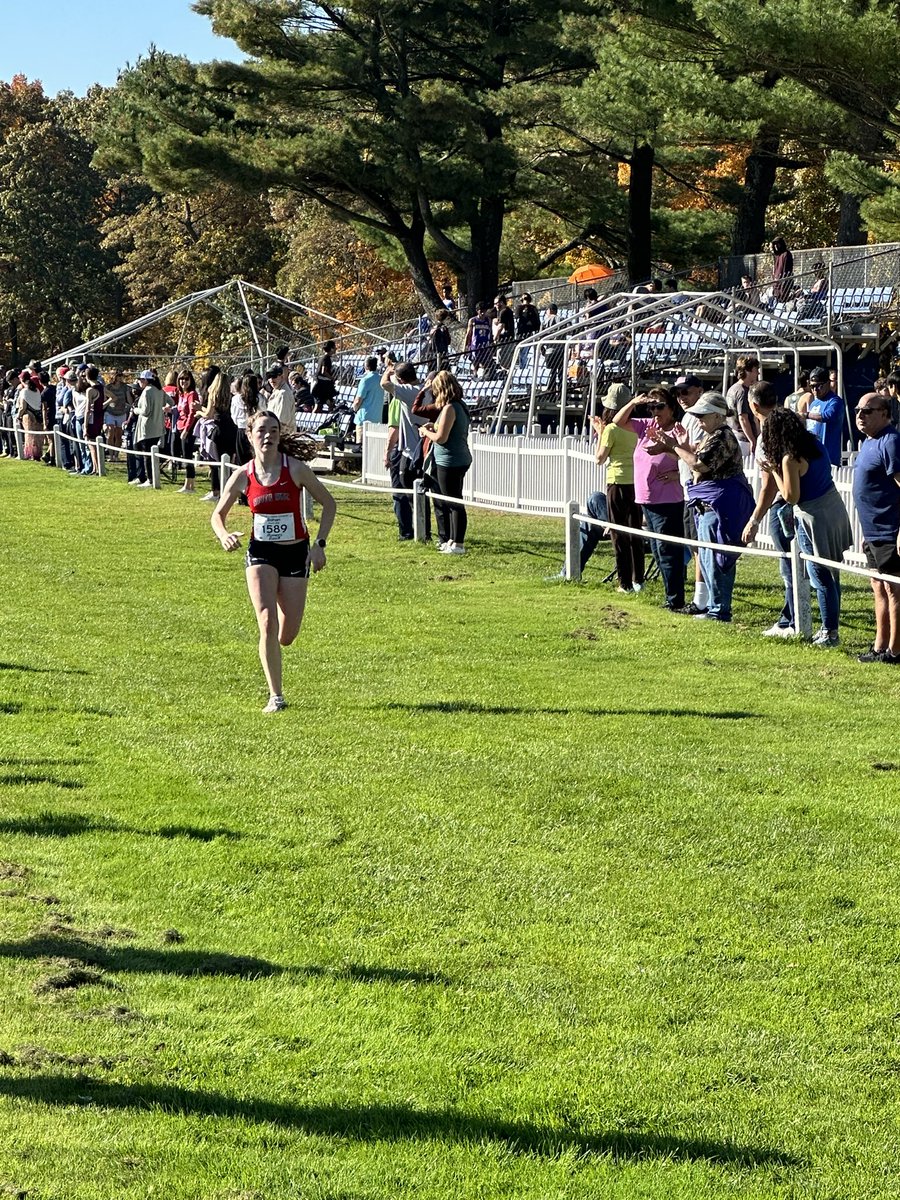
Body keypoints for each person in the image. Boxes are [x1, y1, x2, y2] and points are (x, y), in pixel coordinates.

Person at [211, 410, 336, 712]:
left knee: (287, 634)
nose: (268, 436)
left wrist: (319, 545)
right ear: (250, 435)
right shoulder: (243, 474)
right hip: (260, 553)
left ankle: (278, 639)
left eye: (274, 431)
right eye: (262, 430)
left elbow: (329, 503)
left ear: (280, 436)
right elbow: (217, 515)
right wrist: (224, 535)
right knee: (266, 621)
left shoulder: (296, 470)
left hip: (295, 553)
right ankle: (275, 696)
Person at [654, 392, 753, 623]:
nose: (699, 420)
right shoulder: (713, 436)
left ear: (718, 416)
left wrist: (674, 447)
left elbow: (700, 464)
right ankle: (715, 607)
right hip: (707, 506)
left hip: (718, 508)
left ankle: (720, 610)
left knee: (718, 558)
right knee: (708, 558)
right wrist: (670, 448)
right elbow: (693, 458)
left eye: (703, 415)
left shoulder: (722, 437)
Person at [761, 406, 851, 647]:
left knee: (819, 575)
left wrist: (773, 472)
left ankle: (829, 632)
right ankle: (831, 627)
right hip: (834, 508)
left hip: (813, 517)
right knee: (833, 573)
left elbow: (791, 496)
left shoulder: (790, 457)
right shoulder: (814, 444)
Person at [613, 386, 686, 610]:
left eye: (660, 406)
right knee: (656, 548)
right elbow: (617, 422)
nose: (655, 411)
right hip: (647, 499)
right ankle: (669, 594)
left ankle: (675, 599)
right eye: (652, 407)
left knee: (667, 551)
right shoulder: (647, 426)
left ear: (672, 407)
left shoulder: (678, 430)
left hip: (668, 500)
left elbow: (688, 455)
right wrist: (634, 403)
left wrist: (676, 470)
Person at [742, 381, 805, 637]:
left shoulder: (766, 437)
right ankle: (791, 617)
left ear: (753, 405)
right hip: (802, 502)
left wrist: (754, 520)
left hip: (783, 506)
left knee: (788, 567)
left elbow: (768, 488)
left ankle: (790, 621)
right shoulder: (793, 423)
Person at [851, 392, 900, 663]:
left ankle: (895, 650)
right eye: (858, 410)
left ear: (884, 413)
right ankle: (879, 646)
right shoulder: (869, 442)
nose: (860, 415)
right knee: (878, 587)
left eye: (867, 411)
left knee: (894, 590)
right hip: (872, 532)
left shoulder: (890, 442)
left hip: (890, 531)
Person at [592, 383, 644, 594]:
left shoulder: (611, 429)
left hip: (617, 482)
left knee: (618, 532)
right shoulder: (638, 426)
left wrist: (600, 433)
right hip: (637, 482)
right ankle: (638, 579)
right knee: (635, 531)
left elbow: (599, 459)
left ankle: (624, 583)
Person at [419, 371, 471, 555]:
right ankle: (451, 539)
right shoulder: (458, 406)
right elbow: (447, 429)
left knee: (453, 502)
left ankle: (458, 543)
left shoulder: (450, 408)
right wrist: (433, 426)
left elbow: (441, 438)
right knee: (450, 501)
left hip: (450, 461)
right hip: (457, 458)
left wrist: (426, 433)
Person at [382, 361, 430, 539]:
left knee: (410, 489)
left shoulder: (408, 392)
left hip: (412, 449)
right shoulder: (425, 389)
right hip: (418, 447)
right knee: (416, 489)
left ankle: (418, 531)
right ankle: (421, 530)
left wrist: (388, 370)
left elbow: (385, 384)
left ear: (401, 380)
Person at [130, 369, 166, 487]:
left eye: (141, 380)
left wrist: (135, 410)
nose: (139, 382)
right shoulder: (160, 391)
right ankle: (152, 478)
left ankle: (150, 480)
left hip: (147, 428)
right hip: (158, 427)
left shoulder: (147, 391)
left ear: (146, 380)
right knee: (152, 455)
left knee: (147, 455)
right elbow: (170, 402)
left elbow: (145, 411)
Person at [805, 365, 844, 467]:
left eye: (819, 386)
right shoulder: (814, 403)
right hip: (812, 455)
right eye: (812, 386)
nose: (815, 390)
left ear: (827, 383)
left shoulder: (835, 401)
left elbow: (828, 416)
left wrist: (806, 415)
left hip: (828, 458)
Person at [725, 355, 760, 454]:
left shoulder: (732, 389)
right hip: (744, 440)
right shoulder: (743, 391)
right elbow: (743, 418)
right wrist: (752, 440)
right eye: (756, 369)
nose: (758, 373)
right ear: (750, 370)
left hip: (734, 435)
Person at [173, 369, 201, 493]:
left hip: (187, 428)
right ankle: (188, 484)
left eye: (186, 379)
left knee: (187, 455)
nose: (183, 381)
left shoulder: (192, 394)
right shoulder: (181, 394)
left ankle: (190, 484)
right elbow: (180, 410)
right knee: (183, 456)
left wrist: (186, 429)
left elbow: (192, 414)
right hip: (179, 426)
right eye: (181, 379)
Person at [353, 356, 384, 437]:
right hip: (377, 418)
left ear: (366, 366)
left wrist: (354, 409)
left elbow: (358, 400)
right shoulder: (381, 379)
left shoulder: (365, 380)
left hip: (364, 419)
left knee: (361, 445)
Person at [103, 368, 129, 458]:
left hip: (121, 412)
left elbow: (128, 399)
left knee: (119, 434)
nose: (120, 377)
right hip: (110, 412)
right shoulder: (108, 387)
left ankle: (116, 455)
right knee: (110, 432)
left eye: (121, 376)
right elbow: (105, 399)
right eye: (118, 376)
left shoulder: (124, 387)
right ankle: (110, 454)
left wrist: (130, 406)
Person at [265, 364, 295, 430]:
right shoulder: (277, 391)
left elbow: (282, 420)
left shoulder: (283, 394)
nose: (271, 379)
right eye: (269, 377)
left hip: (283, 434)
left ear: (281, 377)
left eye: (274, 376)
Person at [514, 293, 541, 368]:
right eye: (524, 299)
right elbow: (517, 317)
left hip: (530, 331)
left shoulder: (533, 308)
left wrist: (534, 326)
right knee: (521, 350)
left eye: (526, 299)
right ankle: (521, 364)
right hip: (521, 331)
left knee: (529, 350)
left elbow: (536, 320)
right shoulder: (519, 307)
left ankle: (527, 365)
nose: (525, 301)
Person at [312, 340, 337, 409]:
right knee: (318, 406)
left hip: (322, 384)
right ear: (331, 349)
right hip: (321, 385)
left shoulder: (324, 358)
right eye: (334, 347)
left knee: (330, 403)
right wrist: (332, 378)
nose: (336, 349)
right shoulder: (326, 359)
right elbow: (324, 372)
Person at [771, 237, 794, 302]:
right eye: (774, 244)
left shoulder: (786, 254)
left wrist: (783, 283)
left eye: (777, 244)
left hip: (784, 283)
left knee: (783, 300)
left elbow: (786, 270)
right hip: (776, 283)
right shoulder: (777, 255)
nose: (776, 246)